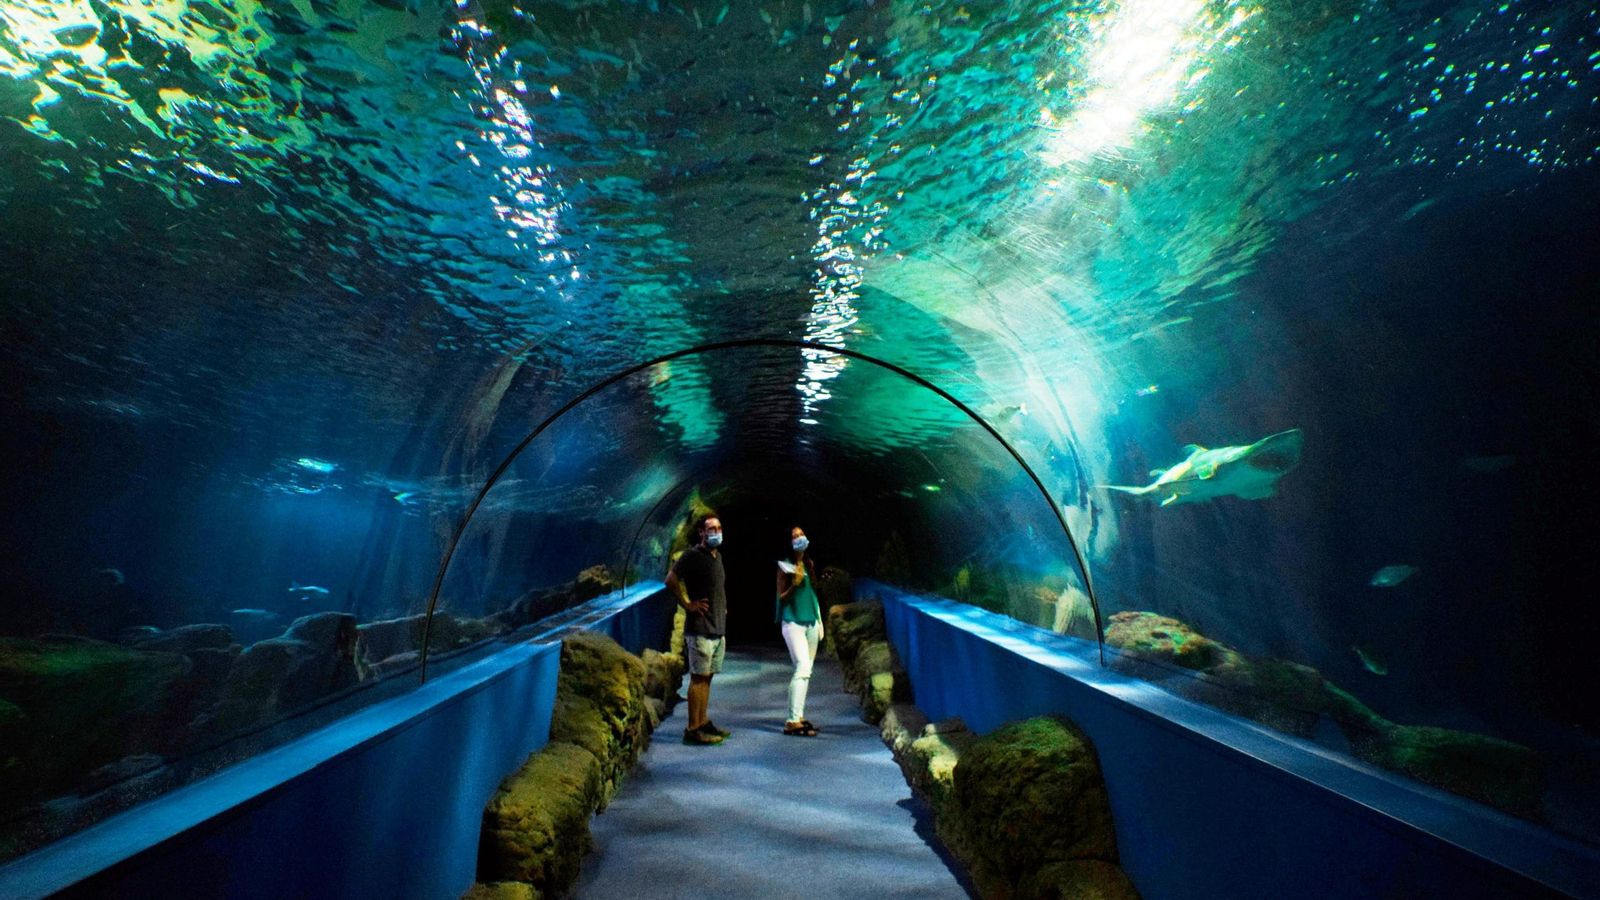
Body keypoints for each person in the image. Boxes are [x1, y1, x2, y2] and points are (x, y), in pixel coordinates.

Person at [666, 514, 731, 745]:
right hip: (700, 628)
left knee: (708, 677)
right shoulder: (692, 556)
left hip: (717, 628)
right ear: (701, 533)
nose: (716, 532)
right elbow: (670, 579)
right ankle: (692, 729)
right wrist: (687, 604)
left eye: (719, 527)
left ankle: (702, 721)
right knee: (698, 678)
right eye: (711, 528)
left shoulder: (717, 557)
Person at [775, 525, 824, 737]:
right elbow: (781, 597)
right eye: (794, 536)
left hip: (812, 619)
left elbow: (813, 589)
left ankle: (799, 715)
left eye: (802, 534)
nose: (799, 538)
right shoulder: (785, 565)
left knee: (806, 671)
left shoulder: (809, 562)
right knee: (803, 667)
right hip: (792, 621)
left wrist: (820, 620)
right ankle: (792, 720)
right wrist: (794, 584)